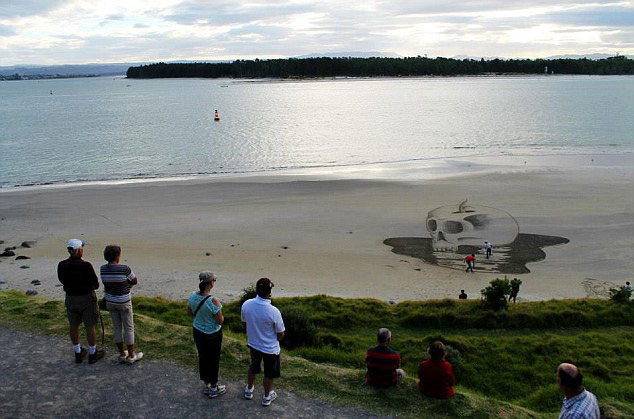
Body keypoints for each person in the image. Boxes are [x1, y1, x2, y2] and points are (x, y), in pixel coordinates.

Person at [57, 239, 104, 364]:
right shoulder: (86, 265)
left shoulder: (62, 265)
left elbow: (62, 280)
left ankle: (78, 352)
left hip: (71, 297)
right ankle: (92, 353)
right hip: (86, 298)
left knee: (73, 325)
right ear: (79, 250)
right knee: (90, 326)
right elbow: (95, 284)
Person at [241, 278, 285, 406]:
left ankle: (249, 389)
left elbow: (245, 323)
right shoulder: (274, 311)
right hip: (270, 348)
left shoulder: (247, 304)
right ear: (269, 292)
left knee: (253, 367)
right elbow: (280, 334)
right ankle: (267, 396)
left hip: (254, 344)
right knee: (269, 373)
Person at [100, 245, 143, 364]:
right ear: (118, 256)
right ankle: (131, 355)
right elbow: (134, 280)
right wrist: (127, 286)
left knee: (117, 327)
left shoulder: (103, 269)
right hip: (124, 301)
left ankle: (121, 354)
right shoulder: (124, 268)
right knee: (129, 327)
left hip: (110, 301)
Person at [188, 271, 226, 398]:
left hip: (197, 331)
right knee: (213, 359)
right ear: (210, 284)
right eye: (214, 281)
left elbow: (190, 313)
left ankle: (207, 384)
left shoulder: (193, 296)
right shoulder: (213, 301)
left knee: (203, 357)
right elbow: (220, 321)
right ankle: (214, 388)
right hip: (212, 334)